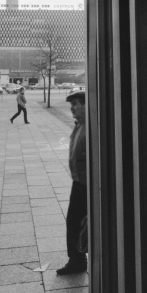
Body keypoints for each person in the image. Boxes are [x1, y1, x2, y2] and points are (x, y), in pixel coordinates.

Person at [56, 90, 87, 275]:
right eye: (71, 104)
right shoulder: (80, 125)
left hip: (85, 185)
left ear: (87, 105)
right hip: (79, 183)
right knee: (75, 222)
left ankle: (77, 260)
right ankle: (77, 258)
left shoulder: (90, 127)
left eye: (76, 103)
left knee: (76, 222)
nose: (72, 108)